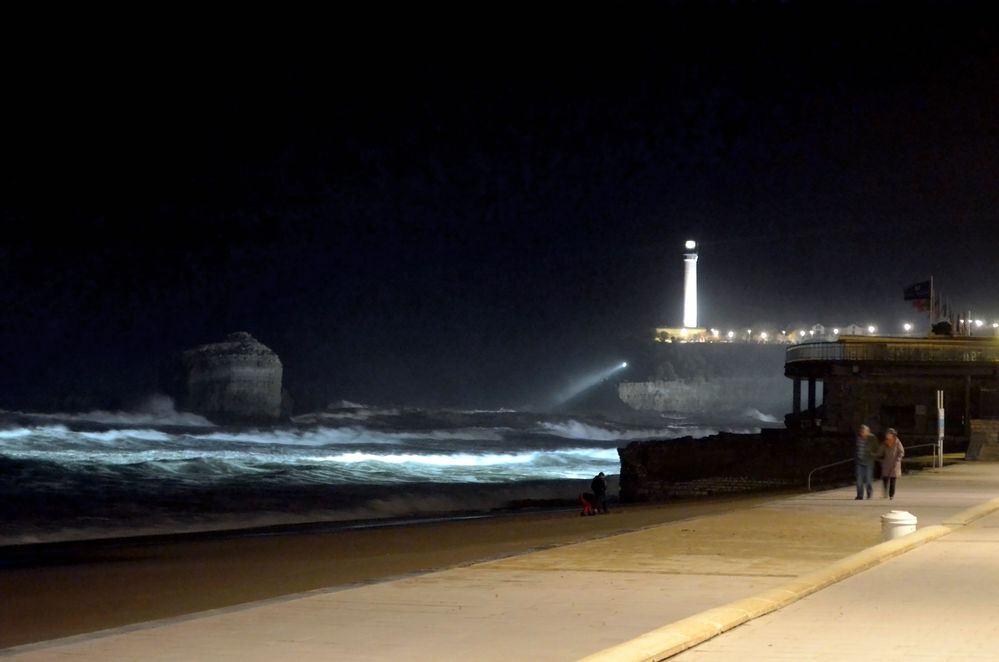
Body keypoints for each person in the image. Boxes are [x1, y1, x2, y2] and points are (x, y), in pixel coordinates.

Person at [854, 424, 879, 500]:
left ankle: (869, 493)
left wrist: (873, 455)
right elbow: (856, 449)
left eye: (864, 431)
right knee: (859, 480)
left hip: (869, 462)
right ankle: (859, 495)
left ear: (868, 432)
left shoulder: (872, 438)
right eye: (861, 431)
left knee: (868, 480)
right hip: (859, 462)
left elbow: (877, 449)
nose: (862, 432)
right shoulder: (858, 438)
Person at [880, 428, 905, 500]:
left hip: (894, 464)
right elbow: (880, 451)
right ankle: (885, 492)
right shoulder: (885, 443)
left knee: (892, 481)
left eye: (889, 434)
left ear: (893, 435)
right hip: (886, 464)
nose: (887, 435)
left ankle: (891, 495)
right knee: (885, 479)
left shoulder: (897, 442)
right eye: (887, 434)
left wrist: (898, 459)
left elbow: (901, 452)